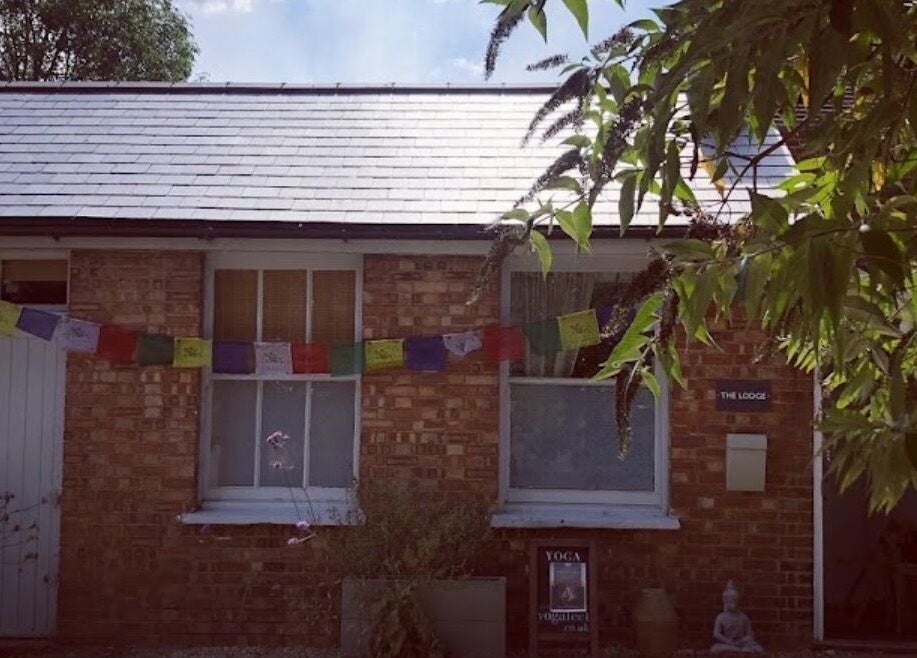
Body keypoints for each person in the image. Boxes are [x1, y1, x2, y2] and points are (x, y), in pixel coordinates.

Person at [711, 581, 764, 654]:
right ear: (725, 602)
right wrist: (729, 642)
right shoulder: (721, 617)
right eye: (730, 602)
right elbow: (716, 633)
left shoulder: (743, 617)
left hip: (741, 643)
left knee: (758, 648)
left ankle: (738, 649)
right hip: (727, 643)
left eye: (735, 602)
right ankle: (736, 649)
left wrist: (742, 641)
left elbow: (750, 634)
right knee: (715, 648)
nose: (733, 605)